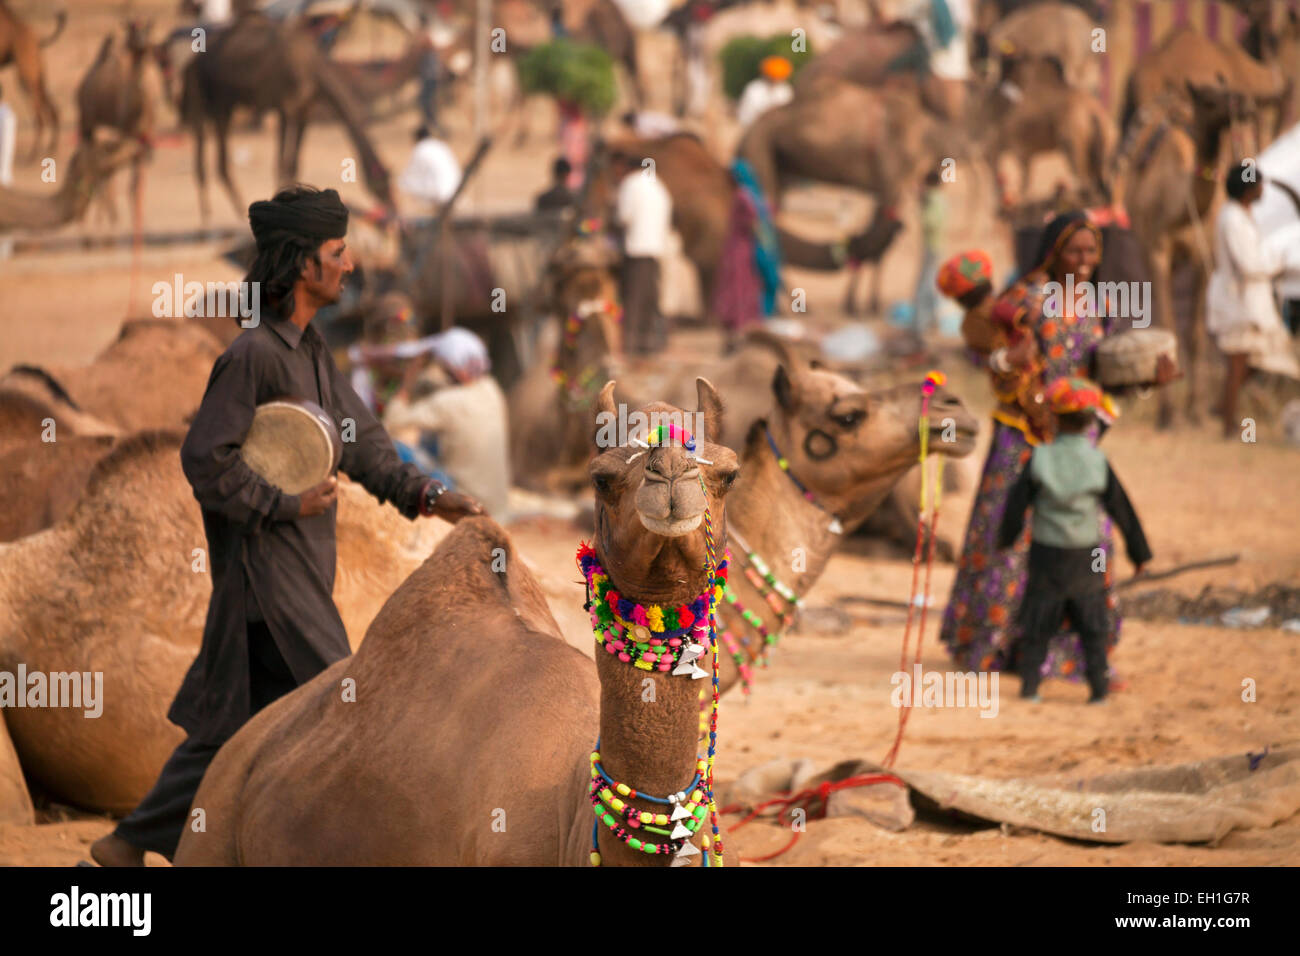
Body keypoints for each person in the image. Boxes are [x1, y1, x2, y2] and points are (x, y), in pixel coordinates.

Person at [90, 186, 483, 867]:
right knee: (343, 701)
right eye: (338, 253)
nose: (351, 264)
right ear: (304, 266)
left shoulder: (308, 350)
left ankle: (128, 844)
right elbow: (203, 457)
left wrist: (425, 493)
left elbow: (359, 441)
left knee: (236, 731)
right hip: (266, 579)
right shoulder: (253, 357)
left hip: (296, 570)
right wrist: (281, 503)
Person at [938, 212, 1129, 688]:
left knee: (1089, 542)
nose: (1083, 261)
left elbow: (1099, 375)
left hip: (1077, 441)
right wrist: (1012, 363)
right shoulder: (1024, 300)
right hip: (1021, 438)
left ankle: (1081, 653)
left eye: (1091, 252)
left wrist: (1139, 382)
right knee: (1010, 541)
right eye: (1074, 251)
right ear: (1053, 251)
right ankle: (997, 645)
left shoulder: (1096, 303)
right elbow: (998, 365)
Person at [998, 376, 1152, 703]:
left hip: (1046, 553)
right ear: (1092, 420)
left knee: (1038, 620)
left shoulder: (1039, 458)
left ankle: (1030, 688)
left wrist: (1005, 540)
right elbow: (1121, 509)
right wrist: (1140, 554)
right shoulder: (1098, 461)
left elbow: (1016, 506)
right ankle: (1097, 689)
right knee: (1092, 623)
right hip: (1088, 556)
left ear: (1053, 416)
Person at [1207, 164, 1300, 439]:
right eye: (1257, 185)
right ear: (1247, 189)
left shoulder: (1242, 215)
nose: (1262, 190)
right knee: (1239, 362)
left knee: (1254, 361)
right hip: (1238, 301)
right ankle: (1228, 424)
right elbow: (1248, 264)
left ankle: (1222, 407)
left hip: (1251, 300)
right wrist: (1278, 267)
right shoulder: (1232, 219)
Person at [383, 327, 511, 518]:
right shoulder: (493, 390)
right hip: (498, 508)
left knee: (397, 447)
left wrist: (409, 376)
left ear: (452, 368)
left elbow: (393, 420)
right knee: (433, 440)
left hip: (464, 498)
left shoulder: (447, 403)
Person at [615, 153, 673, 356]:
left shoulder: (631, 184)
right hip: (655, 249)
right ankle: (650, 346)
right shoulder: (658, 185)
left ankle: (630, 348)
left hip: (637, 249)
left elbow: (623, 217)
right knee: (650, 298)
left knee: (634, 300)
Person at [913, 169, 947, 340]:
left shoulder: (933, 200)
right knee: (931, 283)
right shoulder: (937, 199)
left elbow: (930, 222)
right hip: (934, 246)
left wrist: (921, 202)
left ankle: (922, 324)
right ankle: (930, 321)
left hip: (932, 247)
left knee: (925, 285)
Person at [398, 126, 462, 211]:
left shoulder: (421, 148)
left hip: (440, 192)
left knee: (403, 183)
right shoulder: (440, 145)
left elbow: (411, 174)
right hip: (456, 189)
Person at [736, 55, 794, 129]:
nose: (775, 80)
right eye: (773, 77)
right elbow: (745, 115)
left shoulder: (786, 90)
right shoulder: (754, 89)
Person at [0, 83, 15, 259]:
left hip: (2, 175)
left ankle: (5, 252)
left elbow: (7, 147)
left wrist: (2, 175)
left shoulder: (6, 116)